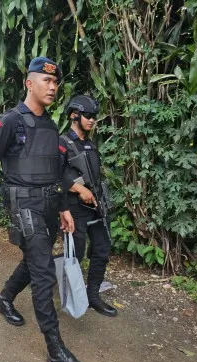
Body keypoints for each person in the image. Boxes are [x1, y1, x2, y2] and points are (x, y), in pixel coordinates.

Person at [0, 57, 88, 362]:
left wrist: (63, 207)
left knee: (38, 261)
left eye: (55, 82)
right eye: (45, 81)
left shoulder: (50, 127)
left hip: (48, 205)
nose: (52, 87)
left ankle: (5, 298)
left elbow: (57, 172)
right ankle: (55, 350)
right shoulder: (9, 122)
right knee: (44, 272)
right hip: (22, 204)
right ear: (29, 83)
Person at [59, 95, 118, 317]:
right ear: (75, 116)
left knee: (102, 249)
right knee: (77, 252)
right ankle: (69, 292)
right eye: (89, 116)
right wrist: (78, 189)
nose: (93, 120)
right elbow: (54, 175)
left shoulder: (90, 144)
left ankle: (93, 296)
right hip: (74, 209)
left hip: (96, 206)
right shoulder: (63, 142)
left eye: (95, 116)